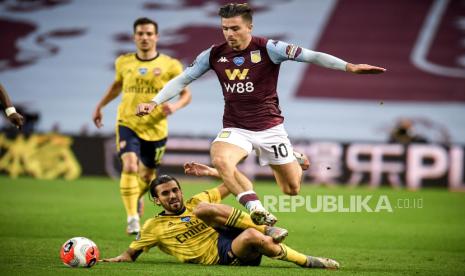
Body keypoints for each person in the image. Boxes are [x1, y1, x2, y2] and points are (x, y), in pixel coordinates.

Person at [135, 3, 386, 226]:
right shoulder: (213, 54)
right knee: (221, 160)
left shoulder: (270, 48)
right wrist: (154, 101)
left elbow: (312, 56)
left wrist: (349, 67)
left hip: (270, 129)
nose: (229, 34)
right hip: (236, 127)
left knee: (291, 189)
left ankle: (293, 156)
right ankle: (257, 210)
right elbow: (182, 79)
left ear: (249, 27)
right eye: (225, 28)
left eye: (235, 28)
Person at [102, 162, 339, 269]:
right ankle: (309, 261)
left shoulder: (195, 202)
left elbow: (244, 184)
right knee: (250, 236)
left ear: (180, 190)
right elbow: (130, 255)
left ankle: (266, 230)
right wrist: (111, 260)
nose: (173, 196)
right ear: (156, 200)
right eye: (165, 194)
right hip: (221, 255)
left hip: (227, 233)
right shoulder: (154, 226)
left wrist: (213, 171)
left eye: (175, 190)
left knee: (203, 208)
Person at [92, 17, 192, 235]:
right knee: (129, 166)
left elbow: (186, 95)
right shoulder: (123, 62)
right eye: (140, 33)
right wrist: (100, 106)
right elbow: (116, 86)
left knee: (147, 179)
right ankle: (132, 219)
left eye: (149, 33)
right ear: (134, 36)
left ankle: (135, 197)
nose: (144, 37)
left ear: (156, 36)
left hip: (156, 128)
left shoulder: (170, 64)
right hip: (128, 122)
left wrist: (174, 108)